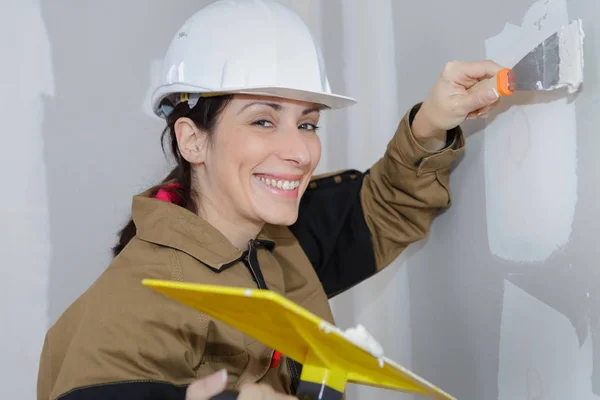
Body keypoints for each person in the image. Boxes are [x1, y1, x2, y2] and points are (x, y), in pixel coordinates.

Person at [36, 0, 503, 399]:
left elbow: (384, 209)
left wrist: (432, 122)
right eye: (262, 120)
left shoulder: (274, 244)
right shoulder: (135, 306)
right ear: (192, 141)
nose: (301, 152)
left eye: (307, 123)